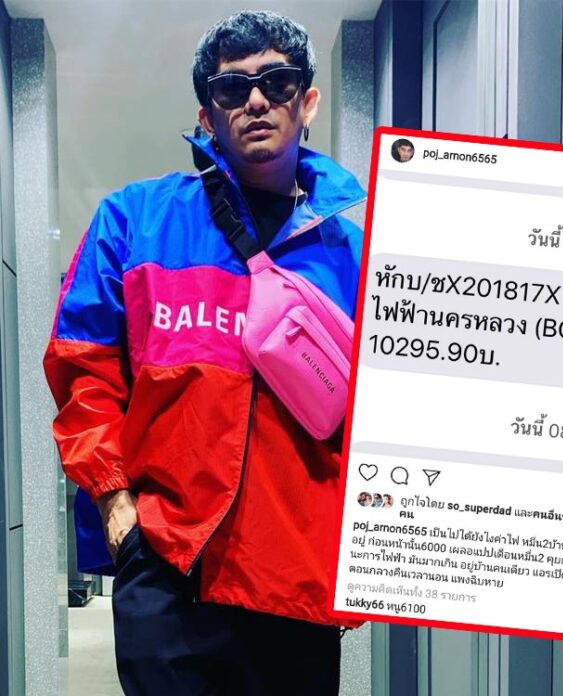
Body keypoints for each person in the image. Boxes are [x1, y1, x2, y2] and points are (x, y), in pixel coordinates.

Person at [43, 10, 366, 696]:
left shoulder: (355, 255)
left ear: (307, 101)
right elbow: (82, 373)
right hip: (168, 571)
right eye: (232, 88)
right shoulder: (134, 222)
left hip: (297, 581)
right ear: (207, 115)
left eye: (277, 82)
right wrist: (117, 509)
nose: (256, 100)